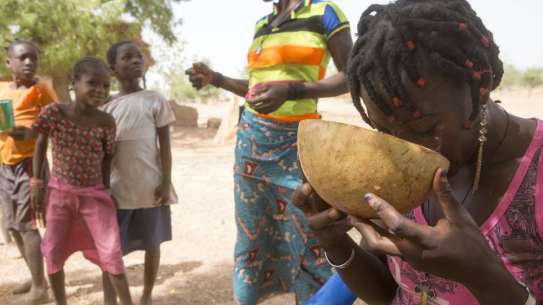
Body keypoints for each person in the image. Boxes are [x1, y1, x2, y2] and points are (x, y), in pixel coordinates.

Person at [293, 0, 542, 304]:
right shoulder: (396, 172)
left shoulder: (535, 174)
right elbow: (392, 293)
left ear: (482, 84)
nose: (403, 149)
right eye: (383, 131)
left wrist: (483, 275)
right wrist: (335, 242)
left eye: (423, 129)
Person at [186, 0, 353, 304]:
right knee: (252, 235)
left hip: (298, 143)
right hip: (252, 143)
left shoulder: (325, 12)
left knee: (310, 233)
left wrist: (292, 91)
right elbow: (257, 88)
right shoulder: (263, 24)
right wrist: (217, 79)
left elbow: (350, 75)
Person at [32, 57, 133, 305]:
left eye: (105, 86)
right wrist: (37, 182)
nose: (99, 90)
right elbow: (40, 144)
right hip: (59, 196)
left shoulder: (106, 121)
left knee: (111, 254)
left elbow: (107, 157)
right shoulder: (54, 113)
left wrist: (107, 189)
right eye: (92, 83)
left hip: (94, 196)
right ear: (74, 83)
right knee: (53, 253)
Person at [101, 41, 177, 305]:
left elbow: (164, 147)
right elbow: (102, 154)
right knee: (111, 249)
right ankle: (110, 299)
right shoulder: (107, 107)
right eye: (127, 57)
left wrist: (166, 182)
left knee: (152, 242)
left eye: (139, 57)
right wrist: (103, 188)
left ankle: (146, 295)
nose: (136, 61)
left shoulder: (155, 99)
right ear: (113, 69)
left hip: (150, 185)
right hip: (118, 189)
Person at [0, 40, 56, 303]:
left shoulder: (41, 90)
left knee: (27, 226)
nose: (29, 62)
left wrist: (32, 131)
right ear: (8, 61)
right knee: (12, 226)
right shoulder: (1, 89)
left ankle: (40, 290)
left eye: (33, 58)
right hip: (4, 165)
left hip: (29, 165)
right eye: (22, 58)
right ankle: (37, 277)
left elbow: (58, 122)